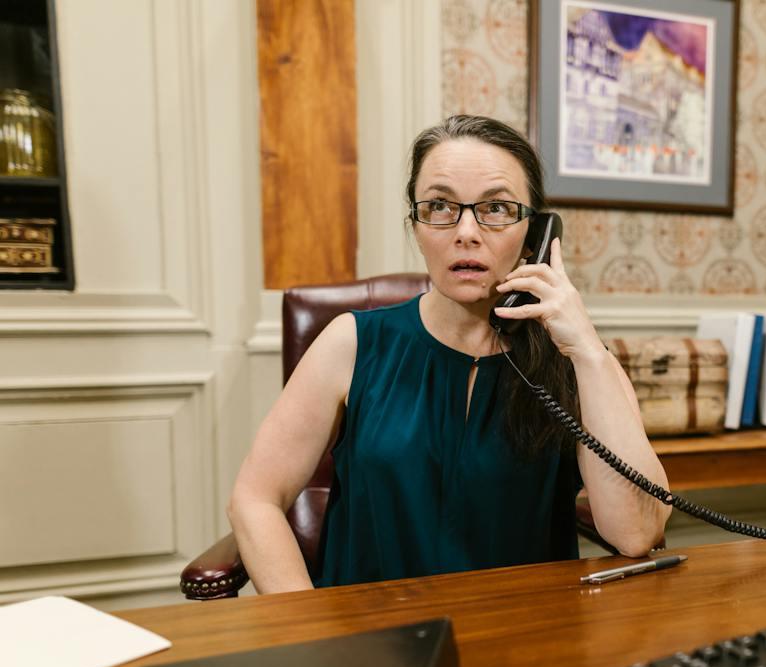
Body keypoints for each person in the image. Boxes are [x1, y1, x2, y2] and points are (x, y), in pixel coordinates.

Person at [228, 114, 671, 593]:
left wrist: (585, 350)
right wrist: (307, 630)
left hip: (527, 641)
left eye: (497, 208)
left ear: (535, 234)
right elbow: (255, 498)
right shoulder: (352, 342)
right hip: (368, 644)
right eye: (439, 205)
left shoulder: (577, 363)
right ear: (415, 225)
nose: (465, 231)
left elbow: (635, 533)